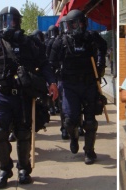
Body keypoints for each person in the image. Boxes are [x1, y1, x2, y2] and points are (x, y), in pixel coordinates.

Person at [0, 6, 58, 188]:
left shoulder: (29, 44)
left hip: (23, 96)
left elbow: (44, 64)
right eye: (4, 21)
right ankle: (5, 168)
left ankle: (24, 169)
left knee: (23, 133)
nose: (8, 24)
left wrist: (52, 82)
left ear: (17, 22)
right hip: (0, 96)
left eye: (11, 20)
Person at [49, 9, 107, 164]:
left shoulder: (91, 37)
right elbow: (50, 62)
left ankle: (89, 151)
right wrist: (53, 79)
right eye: (70, 24)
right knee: (69, 121)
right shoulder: (60, 41)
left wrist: (101, 65)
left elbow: (103, 47)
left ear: (83, 23)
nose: (73, 27)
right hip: (69, 86)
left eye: (75, 24)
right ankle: (74, 138)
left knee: (90, 122)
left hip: (89, 84)